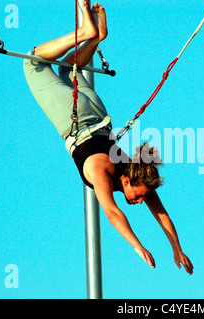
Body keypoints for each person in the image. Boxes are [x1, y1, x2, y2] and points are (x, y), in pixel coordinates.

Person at [23, 2, 193, 275]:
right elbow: (112, 212)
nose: (140, 202)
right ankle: (85, 30)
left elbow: (162, 214)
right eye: (138, 197)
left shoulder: (137, 175)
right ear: (126, 181)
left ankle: (97, 37)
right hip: (75, 115)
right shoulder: (104, 170)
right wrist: (138, 246)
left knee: (69, 69)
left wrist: (177, 248)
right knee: (32, 62)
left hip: (98, 115)